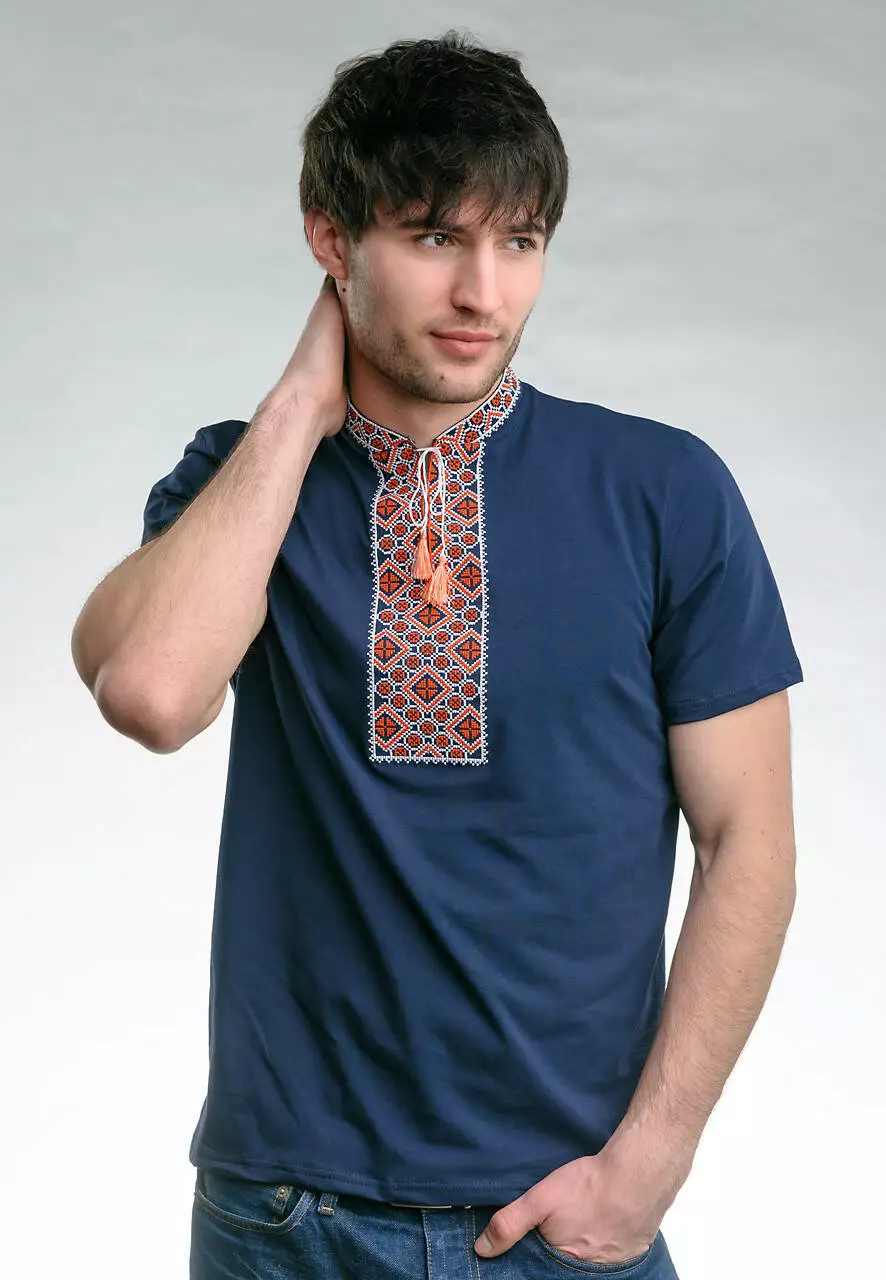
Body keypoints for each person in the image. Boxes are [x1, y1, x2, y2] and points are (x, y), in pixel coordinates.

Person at [71, 28, 803, 1280]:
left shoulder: (663, 490)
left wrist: (649, 1162)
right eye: (431, 237)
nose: (482, 294)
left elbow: (752, 842)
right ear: (330, 238)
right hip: (282, 1215)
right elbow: (150, 690)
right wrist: (299, 406)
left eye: (517, 242)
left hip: (558, 1218)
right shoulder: (240, 484)